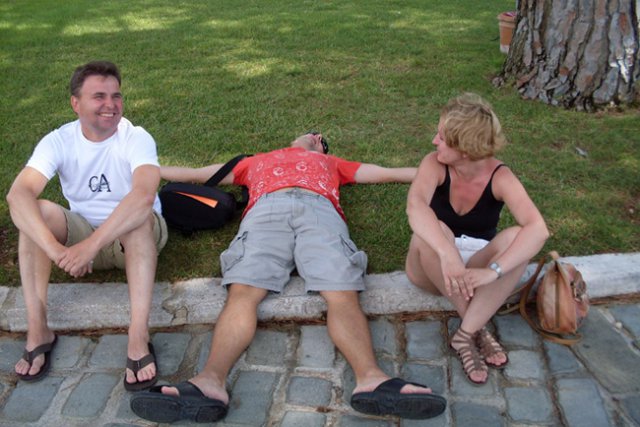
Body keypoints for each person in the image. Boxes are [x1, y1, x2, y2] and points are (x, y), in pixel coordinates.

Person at [130, 133, 447, 423]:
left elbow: (387, 173)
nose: (316, 137)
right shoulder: (253, 161)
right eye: (314, 134)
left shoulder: (332, 163)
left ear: (322, 149)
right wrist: (137, 168)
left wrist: (447, 171)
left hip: (320, 211)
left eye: (321, 139)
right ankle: (209, 383)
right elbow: (195, 174)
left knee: (341, 290)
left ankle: (372, 379)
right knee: (244, 291)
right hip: (266, 210)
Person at [6, 61, 168, 391]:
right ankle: (38, 330)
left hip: (135, 237)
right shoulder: (58, 140)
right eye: (99, 96)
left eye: (116, 96)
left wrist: (88, 248)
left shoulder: (136, 137)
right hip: (83, 230)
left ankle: (138, 336)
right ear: (75, 103)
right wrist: (57, 252)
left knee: (136, 219)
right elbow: (17, 194)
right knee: (35, 212)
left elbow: (143, 196)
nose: (111, 104)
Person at [405, 93, 549, 385]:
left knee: (518, 238)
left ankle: (464, 335)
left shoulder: (500, 176)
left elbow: (538, 229)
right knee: (434, 230)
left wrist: (492, 272)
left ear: (465, 149)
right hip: (431, 267)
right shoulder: (434, 164)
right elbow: (415, 207)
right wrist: (448, 254)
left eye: (442, 138)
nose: (434, 141)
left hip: (475, 268)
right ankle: (477, 327)